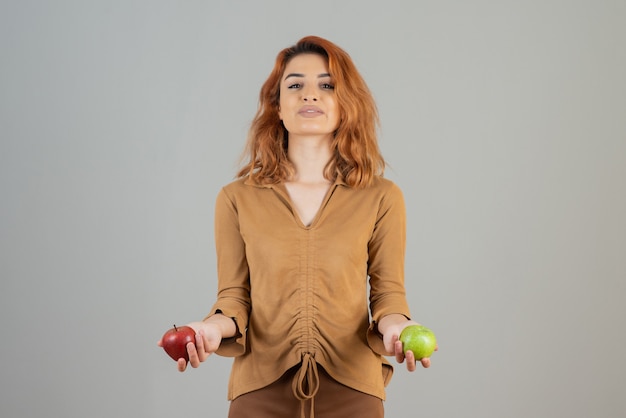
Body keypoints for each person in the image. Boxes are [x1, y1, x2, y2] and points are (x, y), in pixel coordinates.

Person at [158, 35, 436, 418]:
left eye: (327, 85)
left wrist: (398, 330)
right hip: (260, 391)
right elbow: (234, 299)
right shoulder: (236, 198)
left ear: (345, 103)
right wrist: (207, 329)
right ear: (277, 105)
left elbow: (388, 296)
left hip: (353, 391)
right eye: (295, 85)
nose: (310, 95)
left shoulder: (381, 197)